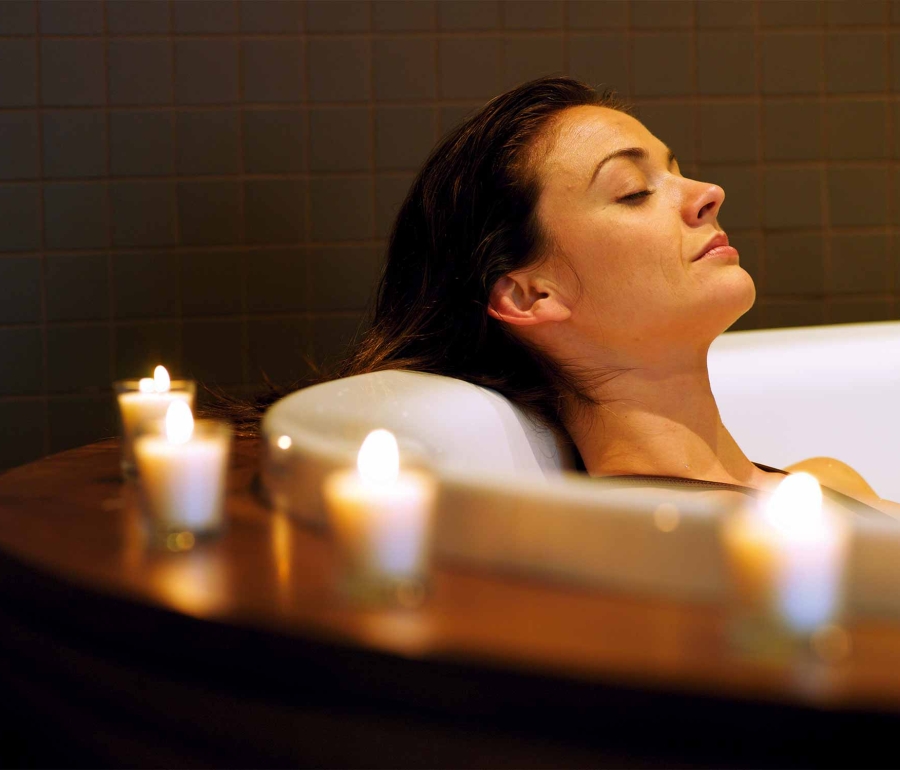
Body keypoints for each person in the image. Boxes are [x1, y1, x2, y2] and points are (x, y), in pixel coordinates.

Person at [215, 76, 898, 518]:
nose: (706, 194)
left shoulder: (821, 481)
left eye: (678, 173)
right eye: (633, 191)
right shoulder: (651, 543)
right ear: (531, 293)